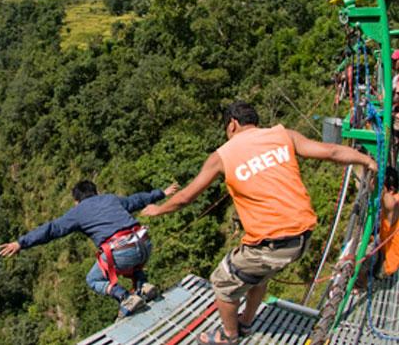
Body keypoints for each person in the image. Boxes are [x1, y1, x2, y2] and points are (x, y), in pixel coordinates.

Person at [140, 101, 376, 345]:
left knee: (222, 282)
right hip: (303, 236)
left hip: (272, 243)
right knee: (258, 275)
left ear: (232, 124)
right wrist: (366, 160)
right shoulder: (283, 135)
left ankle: (229, 337)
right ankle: (246, 321)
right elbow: (332, 151)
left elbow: (185, 197)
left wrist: (158, 210)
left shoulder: (223, 155)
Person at [0, 180, 179, 318]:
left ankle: (125, 297)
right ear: (96, 192)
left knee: (93, 278)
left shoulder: (78, 212)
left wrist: (21, 243)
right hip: (144, 243)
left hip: (121, 250)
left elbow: (51, 229)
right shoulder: (110, 199)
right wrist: (162, 193)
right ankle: (143, 286)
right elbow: (138, 200)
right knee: (129, 258)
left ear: (76, 201)